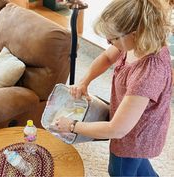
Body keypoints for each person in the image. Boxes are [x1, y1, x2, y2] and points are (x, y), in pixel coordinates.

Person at [54, 0, 173, 176]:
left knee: (120, 170)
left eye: (114, 37)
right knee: (138, 166)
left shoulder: (147, 73)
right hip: (131, 123)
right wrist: (84, 81)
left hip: (134, 137)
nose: (109, 41)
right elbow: (107, 58)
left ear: (135, 34)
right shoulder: (139, 41)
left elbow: (116, 129)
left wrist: (72, 125)